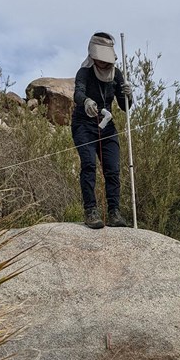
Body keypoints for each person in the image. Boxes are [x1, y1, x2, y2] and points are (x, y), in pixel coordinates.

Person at [72, 32, 132, 229]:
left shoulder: (117, 75)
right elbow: (78, 92)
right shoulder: (85, 72)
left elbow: (125, 107)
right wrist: (86, 100)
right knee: (89, 165)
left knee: (113, 169)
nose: (104, 64)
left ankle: (114, 212)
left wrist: (128, 96)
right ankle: (91, 211)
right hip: (83, 125)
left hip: (107, 127)